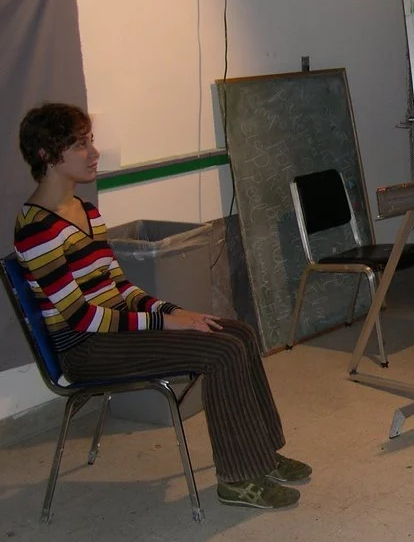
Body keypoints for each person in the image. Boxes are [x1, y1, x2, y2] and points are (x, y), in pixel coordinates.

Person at [13, 103, 310, 510]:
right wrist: (162, 323)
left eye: (90, 141)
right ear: (47, 154)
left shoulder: (86, 212)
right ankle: (238, 480)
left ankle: (262, 455)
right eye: (81, 145)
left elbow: (119, 287)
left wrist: (170, 312)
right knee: (221, 352)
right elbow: (80, 317)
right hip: (85, 348)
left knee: (239, 333)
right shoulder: (37, 229)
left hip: (112, 333)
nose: (94, 153)